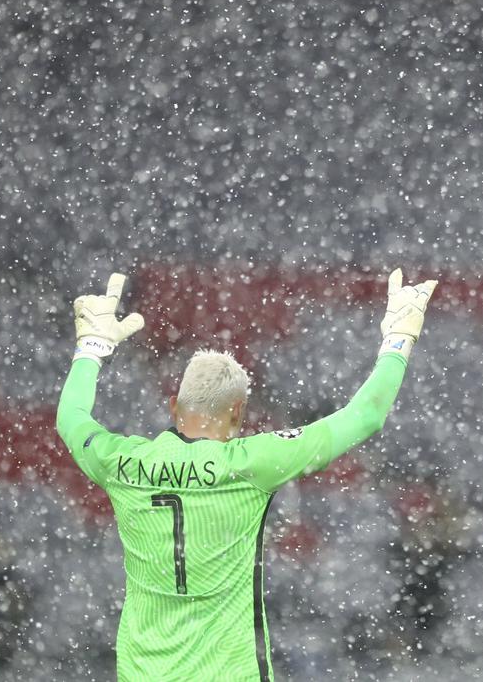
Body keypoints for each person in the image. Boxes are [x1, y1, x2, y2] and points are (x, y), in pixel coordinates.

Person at [56, 269, 437, 681]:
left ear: (173, 406)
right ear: (238, 413)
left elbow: (70, 418)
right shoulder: (251, 463)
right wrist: (398, 339)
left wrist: (90, 349)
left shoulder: (121, 462)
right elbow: (366, 416)